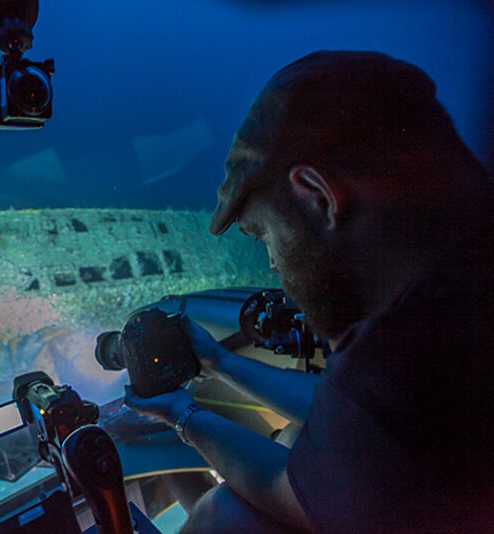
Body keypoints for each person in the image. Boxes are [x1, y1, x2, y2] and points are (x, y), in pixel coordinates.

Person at [124, 50, 494, 532]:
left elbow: (288, 489)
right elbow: (343, 406)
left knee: (224, 516)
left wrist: (182, 415)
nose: (274, 263)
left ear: (319, 195)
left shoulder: (405, 361)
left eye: (265, 236)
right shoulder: (447, 308)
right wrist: (221, 361)